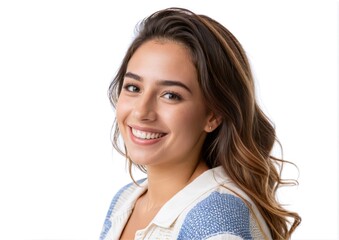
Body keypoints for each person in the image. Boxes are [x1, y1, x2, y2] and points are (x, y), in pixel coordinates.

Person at [100, 7, 301, 240]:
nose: (142, 111)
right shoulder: (126, 201)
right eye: (134, 88)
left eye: (171, 95)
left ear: (213, 115)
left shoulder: (216, 223)